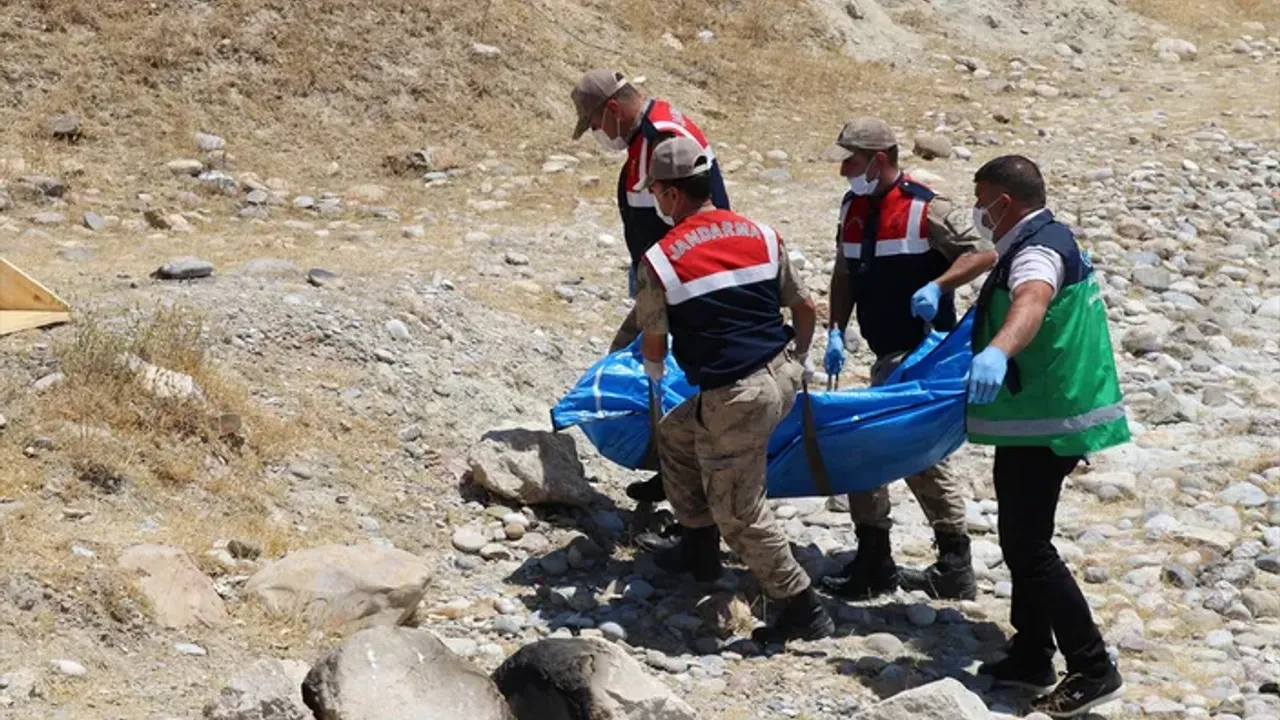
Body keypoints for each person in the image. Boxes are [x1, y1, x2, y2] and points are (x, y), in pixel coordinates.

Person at [932, 155, 1129, 718]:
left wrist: (998, 350)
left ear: (1004, 201)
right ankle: (1032, 652)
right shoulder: (1037, 237)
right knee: (1021, 535)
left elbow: (1032, 299)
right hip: (1038, 416)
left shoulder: (1037, 252)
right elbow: (1011, 278)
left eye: (981, 200)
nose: (977, 211)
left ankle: (1093, 666)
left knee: (1028, 546)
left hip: (1046, 421)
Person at [632, 136, 834, 645]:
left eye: (656, 191)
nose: (655, 200)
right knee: (677, 435)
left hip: (735, 395)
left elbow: (653, 339)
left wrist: (652, 368)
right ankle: (698, 551)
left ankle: (801, 606)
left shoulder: (659, 260)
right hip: (779, 375)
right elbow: (805, 307)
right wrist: (801, 358)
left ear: (672, 193)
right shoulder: (762, 234)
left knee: (740, 511)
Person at [817, 117, 982, 602]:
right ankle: (941, 563)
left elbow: (981, 252)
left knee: (885, 449)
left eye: (851, 161)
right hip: (884, 350)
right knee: (902, 452)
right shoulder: (852, 206)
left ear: (878, 160)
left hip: (922, 353)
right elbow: (844, 272)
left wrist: (938, 286)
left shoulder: (927, 208)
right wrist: (835, 328)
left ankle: (887, 562)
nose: (844, 170)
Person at [571, 68, 729, 504]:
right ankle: (670, 471)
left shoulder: (663, 137)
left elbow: (698, 216)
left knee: (648, 370)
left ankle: (684, 482)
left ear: (613, 109)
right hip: (664, 277)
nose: (598, 132)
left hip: (682, 281)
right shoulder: (646, 135)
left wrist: (679, 287)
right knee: (640, 367)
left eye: (595, 122)